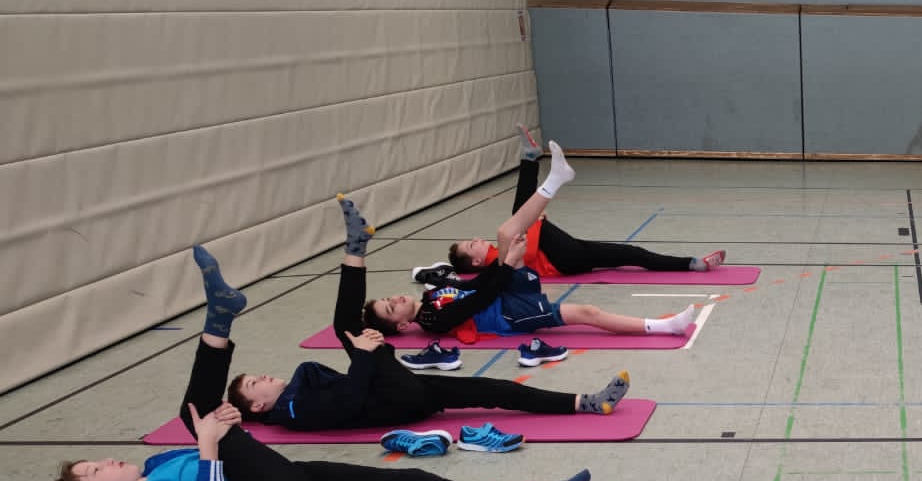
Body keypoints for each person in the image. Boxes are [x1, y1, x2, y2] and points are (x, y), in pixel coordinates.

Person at [43, 247, 592, 481]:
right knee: (194, 415)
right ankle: (218, 322)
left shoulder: (157, 464)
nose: (105, 462)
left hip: (291, 477)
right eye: (94, 472)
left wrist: (222, 433)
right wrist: (212, 442)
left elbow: (228, 448)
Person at [225, 198, 631, 434]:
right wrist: (364, 355)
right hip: (394, 398)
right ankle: (355, 249)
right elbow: (348, 402)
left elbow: (476, 291)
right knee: (345, 329)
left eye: (257, 375)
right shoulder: (292, 411)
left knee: (497, 389)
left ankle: (586, 403)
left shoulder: (295, 394)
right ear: (258, 407)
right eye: (256, 384)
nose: (265, 377)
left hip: (401, 387)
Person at [362, 143, 700, 343]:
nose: (395, 299)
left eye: (388, 299)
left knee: (506, 234)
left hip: (504, 293)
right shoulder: (431, 321)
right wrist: (509, 264)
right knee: (587, 313)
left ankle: (555, 179)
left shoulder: (430, 297)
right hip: (511, 314)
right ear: (403, 325)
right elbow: (479, 300)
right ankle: (665, 326)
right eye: (391, 308)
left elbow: (475, 284)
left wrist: (506, 261)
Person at [444, 127, 725, 277]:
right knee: (518, 218)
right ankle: (534, 163)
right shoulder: (496, 264)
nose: (476, 239)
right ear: (477, 260)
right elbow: (525, 255)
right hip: (561, 260)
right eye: (471, 245)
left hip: (566, 252)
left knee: (632, 254)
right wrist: (535, 224)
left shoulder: (497, 250)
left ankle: (694, 263)